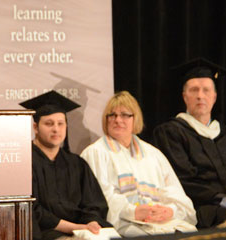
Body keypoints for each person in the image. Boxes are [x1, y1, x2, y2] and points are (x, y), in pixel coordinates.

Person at [80, 91, 197, 237]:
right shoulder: (96, 153)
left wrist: (170, 210)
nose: (118, 120)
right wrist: (133, 211)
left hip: (161, 221)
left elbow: (175, 192)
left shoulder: (153, 154)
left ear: (135, 119)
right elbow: (100, 198)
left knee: (192, 234)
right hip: (124, 222)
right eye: (112, 115)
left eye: (124, 115)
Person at [152, 58, 226, 228]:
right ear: (184, 96)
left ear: (215, 96)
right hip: (204, 211)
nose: (200, 96)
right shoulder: (171, 133)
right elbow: (182, 180)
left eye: (206, 90)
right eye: (194, 90)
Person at [20, 90, 112, 240]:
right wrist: (76, 228)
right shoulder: (24, 162)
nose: (56, 129)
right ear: (35, 128)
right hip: (45, 233)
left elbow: (94, 204)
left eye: (60, 123)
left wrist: (92, 223)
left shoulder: (77, 163)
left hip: (83, 230)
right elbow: (32, 211)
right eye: (49, 124)